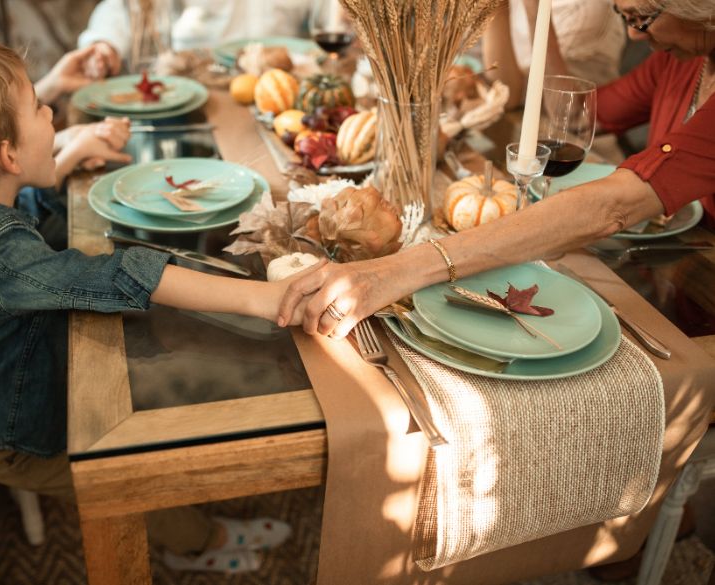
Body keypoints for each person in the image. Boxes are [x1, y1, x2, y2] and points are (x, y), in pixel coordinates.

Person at [0, 38, 313, 573]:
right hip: (7, 434)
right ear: (7, 155)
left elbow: (17, 214)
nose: (52, 113)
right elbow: (114, 274)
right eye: (40, 108)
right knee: (130, 472)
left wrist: (64, 157)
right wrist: (264, 296)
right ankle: (199, 543)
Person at [277, 0, 715, 340]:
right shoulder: (682, 60)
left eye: (642, 17)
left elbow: (612, 207)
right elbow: (586, 115)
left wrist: (398, 271)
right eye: (627, 17)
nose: (635, 36)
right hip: (668, 263)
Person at [77, 0, 311, 74]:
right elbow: (124, 7)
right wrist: (104, 43)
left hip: (285, 86)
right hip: (201, 93)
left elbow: (328, 13)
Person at [483, 0, 626, 109]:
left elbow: (515, 97)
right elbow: (504, 94)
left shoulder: (588, 8)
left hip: (579, 143)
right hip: (520, 131)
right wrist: (494, 8)